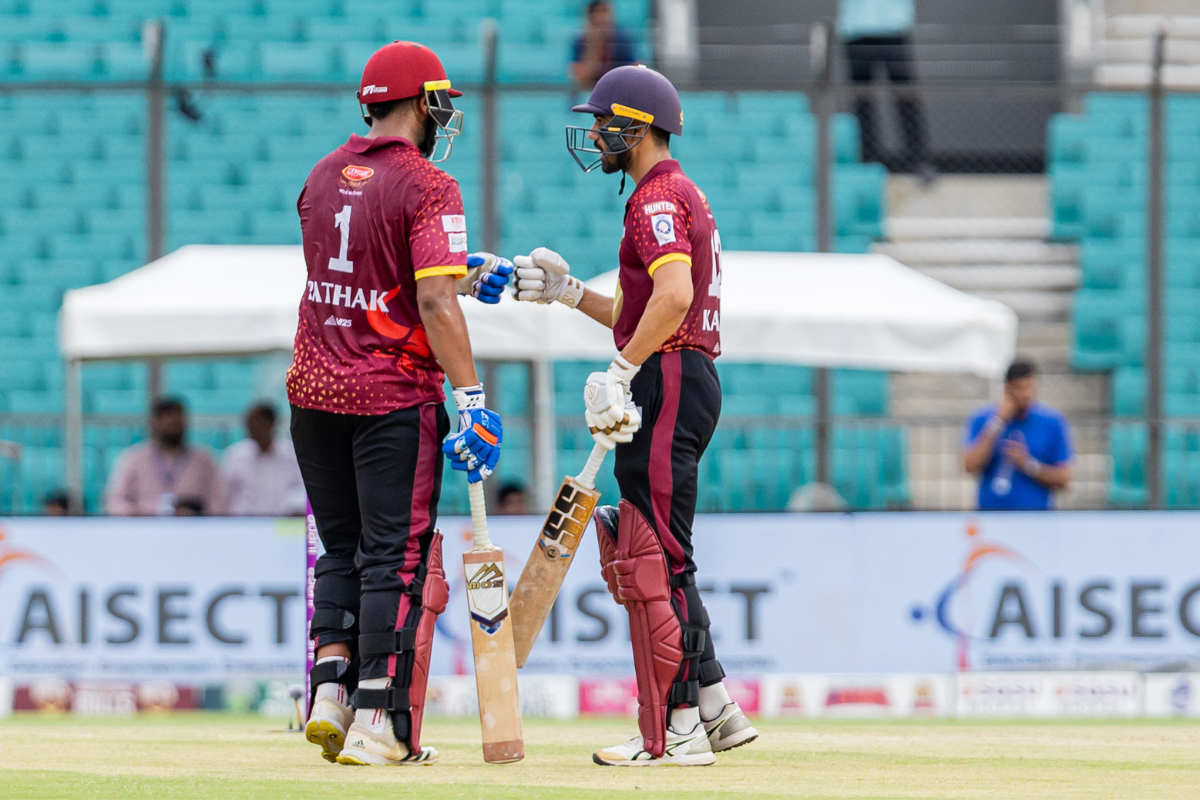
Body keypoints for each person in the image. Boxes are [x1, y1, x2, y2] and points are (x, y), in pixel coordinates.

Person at [512, 64, 757, 766]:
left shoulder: (655, 197)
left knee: (652, 557)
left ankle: (673, 727)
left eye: (602, 123)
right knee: (664, 552)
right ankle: (714, 704)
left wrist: (622, 369)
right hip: (682, 373)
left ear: (636, 126)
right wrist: (567, 293)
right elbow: (635, 309)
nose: (594, 136)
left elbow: (672, 299)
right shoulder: (678, 192)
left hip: (668, 375)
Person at [289, 40, 512, 768]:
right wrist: (471, 397)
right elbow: (433, 299)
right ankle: (378, 718)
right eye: (437, 102)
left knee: (340, 549)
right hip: (390, 395)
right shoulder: (429, 185)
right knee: (395, 558)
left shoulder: (323, 173)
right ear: (420, 103)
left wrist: (456, 266)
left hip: (315, 390)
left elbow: (366, 266)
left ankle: (329, 690)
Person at [962, 359, 1074, 511]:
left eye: (1029, 388)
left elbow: (1064, 479)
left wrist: (1028, 465)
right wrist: (997, 422)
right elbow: (969, 466)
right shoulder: (982, 418)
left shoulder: (1052, 422)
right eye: (1019, 388)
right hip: (991, 516)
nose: (1025, 394)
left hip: (1036, 518)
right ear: (1006, 388)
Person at [837, 0, 929, 174]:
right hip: (857, 30)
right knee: (863, 102)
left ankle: (918, 161)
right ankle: (867, 160)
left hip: (894, 28)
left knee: (906, 97)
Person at [104, 397, 221, 516]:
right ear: (154, 422)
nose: (174, 423)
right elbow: (114, 501)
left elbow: (218, 502)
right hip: (144, 524)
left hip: (192, 525)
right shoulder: (133, 459)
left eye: (178, 418)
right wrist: (146, 513)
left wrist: (196, 515)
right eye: (167, 417)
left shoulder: (204, 461)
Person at [221, 402, 306, 516]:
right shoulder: (235, 455)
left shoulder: (292, 455)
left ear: (271, 423)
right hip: (242, 522)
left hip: (282, 523)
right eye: (249, 422)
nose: (250, 426)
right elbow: (224, 496)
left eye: (256, 422)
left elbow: (302, 492)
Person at [570, 0, 638, 87]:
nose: (600, 17)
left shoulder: (623, 39)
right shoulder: (580, 41)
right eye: (596, 11)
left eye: (604, 11)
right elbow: (582, 78)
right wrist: (595, 46)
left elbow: (635, 71)